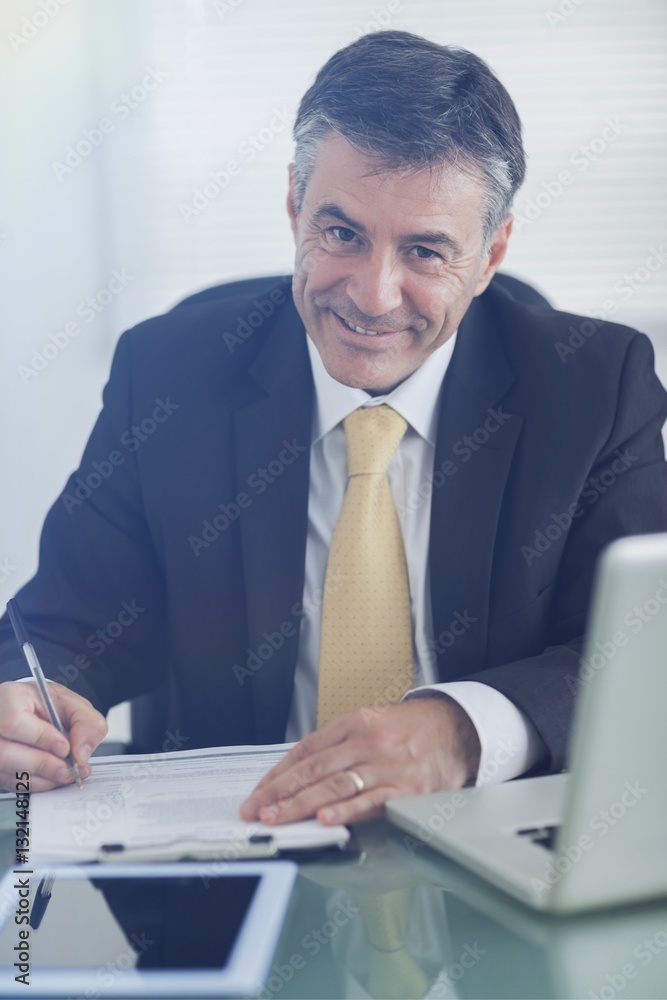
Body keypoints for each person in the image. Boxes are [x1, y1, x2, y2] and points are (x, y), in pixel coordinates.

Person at [1, 31, 666, 830]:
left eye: (424, 250)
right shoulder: (169, 372)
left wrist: (463, 728)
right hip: (234, 853)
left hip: (487, 844)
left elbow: (635, 657)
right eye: (342, 233)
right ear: (293, 205)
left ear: (490, 255)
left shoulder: (594, 385)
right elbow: (60, 628)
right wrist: (31, 707)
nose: (373, 296)